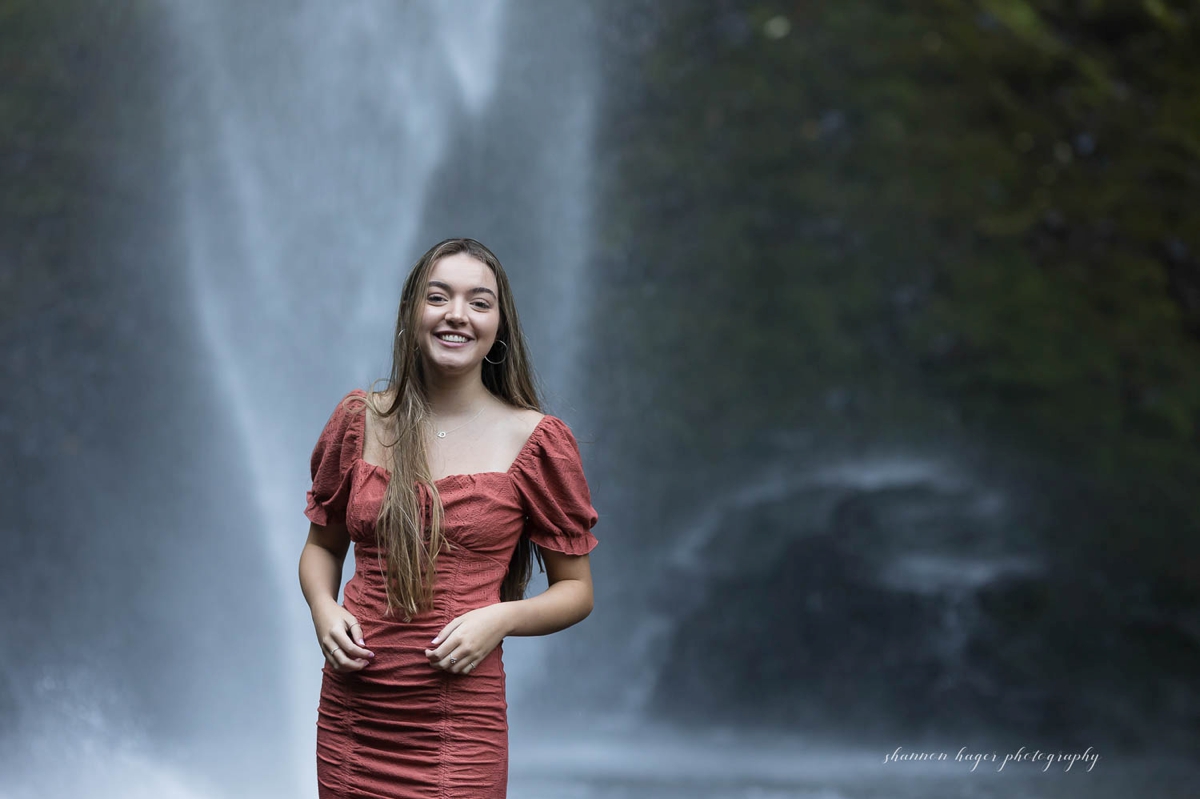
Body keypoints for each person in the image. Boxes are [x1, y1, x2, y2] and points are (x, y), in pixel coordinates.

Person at [297, 238, 599, 798]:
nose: (456, 314)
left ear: (499, 326)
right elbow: (321, 548)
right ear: (413, 312)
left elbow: (576, 591)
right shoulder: (361, 419)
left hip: (456, 727)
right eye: (439, 297)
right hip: (353, 716)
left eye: (479, 302)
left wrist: (500, 619)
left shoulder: (534, 440)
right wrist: (322, 608)